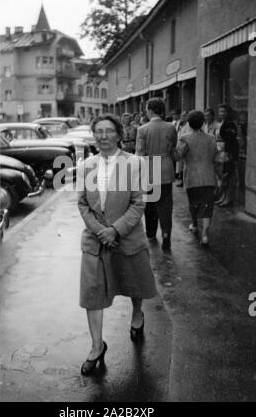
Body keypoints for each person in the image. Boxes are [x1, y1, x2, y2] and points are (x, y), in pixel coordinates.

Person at [77, 114, 156, 376]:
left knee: (134, 283)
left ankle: (136, 315)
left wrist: (116, 230)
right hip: (95, 241)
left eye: (109, 131)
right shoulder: (87, 164)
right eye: (98, 131)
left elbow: (139, 203)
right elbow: (83, 204)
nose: (103, 136)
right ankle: (97, 346)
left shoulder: (134, 163)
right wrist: (101, 231)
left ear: (119, 134)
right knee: (92, 293)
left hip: (127, 238)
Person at [136, 97, 177, 251]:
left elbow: (140, 154)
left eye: (147, 109)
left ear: (151, 110)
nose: (146, 112)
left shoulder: (142, 129)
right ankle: (166, 235)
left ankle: (151, 234)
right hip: (166, 168)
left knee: (150, 205)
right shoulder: (171, 127)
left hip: (149, 169)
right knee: (166, 205)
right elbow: (173, 148)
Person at [176, 110, 217, 247]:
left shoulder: (185, 138)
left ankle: (194, 225)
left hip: (192, 177)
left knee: (193, 203)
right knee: (207, 206)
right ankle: (205, 234)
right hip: (208, 175)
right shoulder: (211, 138)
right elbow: (215, 155)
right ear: (203, 123)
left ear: (189, 123)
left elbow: (179, 155)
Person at [215, 103, 239, 207]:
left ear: (228, 112)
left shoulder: (230, 124)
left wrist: (230, 154)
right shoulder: (223, 123)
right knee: (224, 176)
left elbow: (231, 140)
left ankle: (228, 199)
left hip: (229, 153)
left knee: (228, 176)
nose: (221, 113)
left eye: (223, 111)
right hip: (222, 153)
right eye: (220, 111)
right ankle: (223, 197)